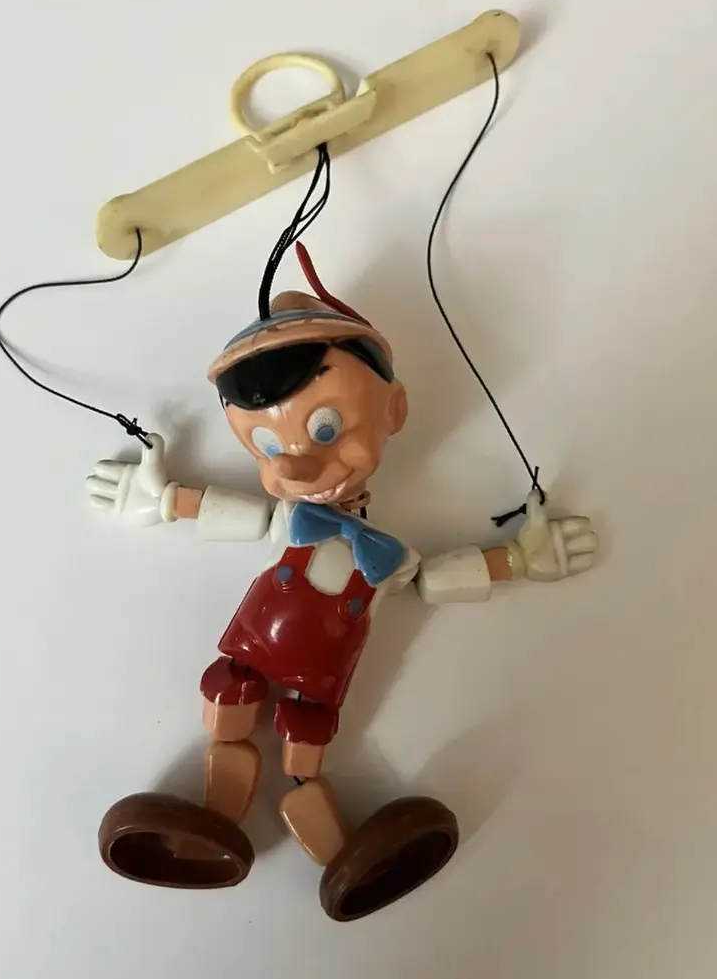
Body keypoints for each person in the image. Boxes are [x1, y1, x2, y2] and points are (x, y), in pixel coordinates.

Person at [88, 246, 597, 921]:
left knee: (304, 764)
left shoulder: (391, 558)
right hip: (251, 650)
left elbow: (438, 579)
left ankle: (346, 858)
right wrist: (157, 499)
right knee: (228, 721)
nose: (296, 467)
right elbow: (219, 510)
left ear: (395, 408)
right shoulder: (288, 520)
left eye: (325, 427)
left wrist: (523, 559)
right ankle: (212, 824)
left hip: (318, 679)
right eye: (268, 447)